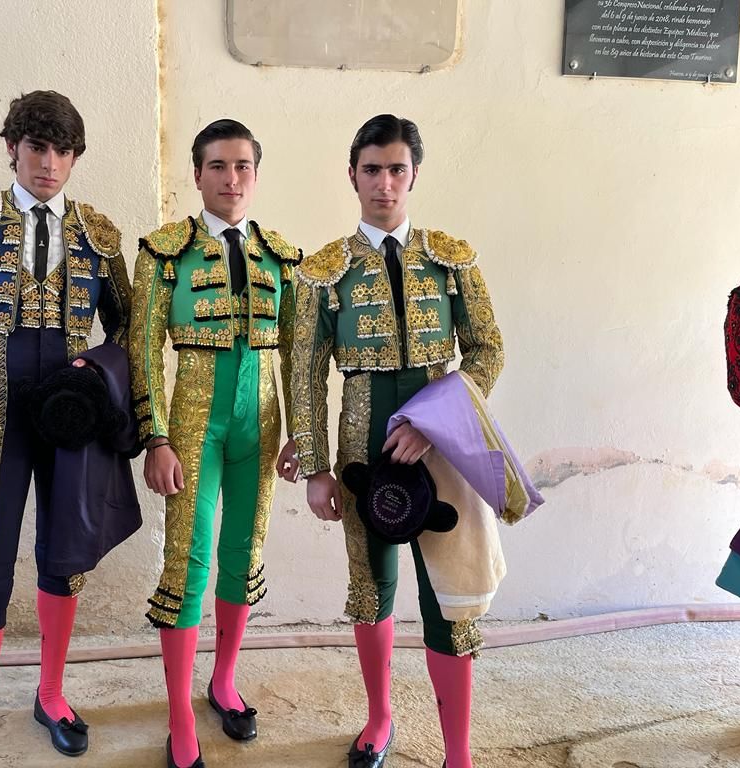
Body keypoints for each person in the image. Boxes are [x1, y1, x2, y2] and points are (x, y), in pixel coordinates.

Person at [0, 90, 140, 767]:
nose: (50, 162)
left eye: (63, 151)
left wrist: (99, 376)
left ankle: (51, 693)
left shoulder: (99, 234)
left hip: (71, 415)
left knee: (64, 554)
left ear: (75, 158)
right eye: (38, 147)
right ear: (13, 147)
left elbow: (128, 325)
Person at [291, 114, 504, 768]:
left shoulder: (452, 258)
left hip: (442, 442)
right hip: (362, 437)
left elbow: (487, 351)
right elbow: (303, 371)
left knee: (451, 594)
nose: (384, 183)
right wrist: (316, 468)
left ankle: (458, 753)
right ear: (352, 174)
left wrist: (433, 420)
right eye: (372, 170)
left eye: (397, 170)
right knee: (371, 586)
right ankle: (380, 721)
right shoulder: (321, 271)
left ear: (414, 174)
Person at [129, 119, 300, 768]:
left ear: (256, 174)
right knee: (188, 561)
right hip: (194, 425)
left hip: (261, 426)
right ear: (197, 174)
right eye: (219, 167)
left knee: (243, 550)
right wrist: (156, 437)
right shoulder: (165, 250)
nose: (232, 180)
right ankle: (179, 715)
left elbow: (298, 355)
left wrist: (303, 439)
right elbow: (142, 348)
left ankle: (223, 680)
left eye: (244, 167)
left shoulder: (282, 255)